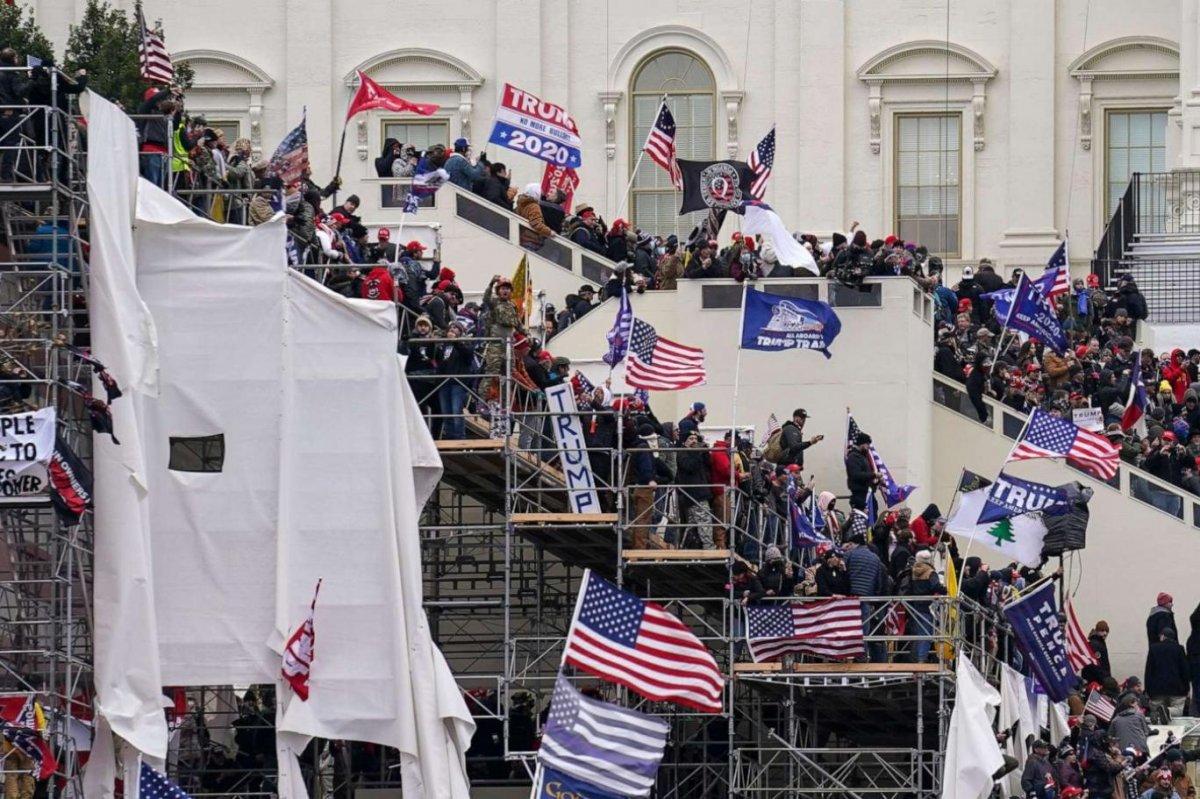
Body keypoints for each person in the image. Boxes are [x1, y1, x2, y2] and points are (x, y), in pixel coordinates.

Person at [844, 533, 888, 662]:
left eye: (849, 544)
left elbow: (843, 574)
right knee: (864, 627)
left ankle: (847, 656)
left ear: (854, 543)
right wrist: (874, 598)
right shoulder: (875, 558)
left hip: (850, 597)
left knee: (848, 627)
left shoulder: (849, 555)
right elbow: (879, 581)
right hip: (867, 598)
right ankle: (862, 655)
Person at [1145, 629, 1191, 719]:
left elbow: (1149, 671)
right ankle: (1168, 711)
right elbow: (1184, 670)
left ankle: (1160, 713)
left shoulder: (1154, 648)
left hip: (1157, 689)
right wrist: (1187, 689)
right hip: (1177, 689)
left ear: (1163, 636)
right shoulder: (1179, 649)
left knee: (1157, 717)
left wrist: (1148, 690)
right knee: (1177, 711)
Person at [846, 432, 880, 511]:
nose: (868, 447)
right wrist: (874, 474)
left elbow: (866, 477)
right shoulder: (853, 457)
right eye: (867, 444)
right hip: (859, 496)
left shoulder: (863, 457)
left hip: (867, 493)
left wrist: (877, 481)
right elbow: (856, 475)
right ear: (862, 444)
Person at [515, 183, 555, 249]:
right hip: (530, 239)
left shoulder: (521, 203)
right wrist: (549, 232)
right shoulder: (534, 206)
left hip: (520, 237)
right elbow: (536, 223)